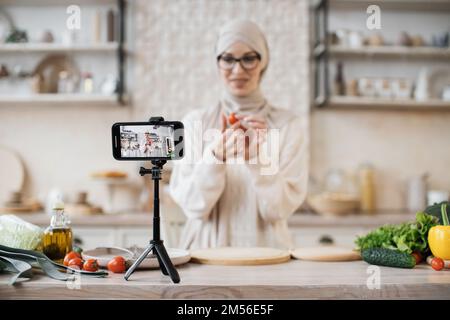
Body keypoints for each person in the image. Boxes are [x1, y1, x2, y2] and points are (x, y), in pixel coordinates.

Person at [169, 20, 308, 250]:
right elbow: (193, 206)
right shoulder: (195, 123)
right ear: (217, 62)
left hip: (268, 256)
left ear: (263, 62)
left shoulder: (287, 126)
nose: (238, 70)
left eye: (249, 58)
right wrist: (215, 156)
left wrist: (256, 157)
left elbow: (278, 210)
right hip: (205, 253)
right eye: (228, 58)